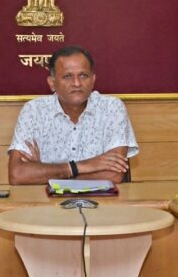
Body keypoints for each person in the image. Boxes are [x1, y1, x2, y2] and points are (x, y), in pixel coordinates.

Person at [8, 46, 138, 185]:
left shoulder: (112, 108)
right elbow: (17, 175)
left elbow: (114, 174)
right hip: (47, 199)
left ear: (93, 80)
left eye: (83, 75)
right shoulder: (34, 111)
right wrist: (81, 167)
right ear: (52, 83)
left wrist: (43, 173)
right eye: (67, 76)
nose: (76, 83)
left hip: (101, 198)